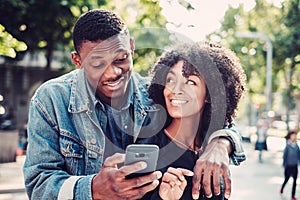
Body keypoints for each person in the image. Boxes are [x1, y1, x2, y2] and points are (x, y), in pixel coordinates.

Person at [23, 9, 245, 199]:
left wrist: (220, 143)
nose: (113, 73)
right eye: (98, 63)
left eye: (121, 59)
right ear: (77, 61)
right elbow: (39, 184)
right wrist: (93, 189)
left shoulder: (155, 93)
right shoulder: (51, 100)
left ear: (130, 47)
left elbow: (212, 113)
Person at [138, 42, 246, 200]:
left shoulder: (214, 150)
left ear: (211, 94)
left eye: (190, 82)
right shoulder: (148, 152)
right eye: (170, 80)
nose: (176, 89)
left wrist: (222, 144)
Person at [280, 131, 300, 200]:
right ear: (290, 136)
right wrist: (284, 164)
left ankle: (293, 195)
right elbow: (284, 156)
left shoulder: (297, 146)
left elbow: (299, 155)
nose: (294, 137)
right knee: (286, 179)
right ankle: (282, 188)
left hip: (295, 166)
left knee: (295, 181)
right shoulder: (287, 146)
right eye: (293, 135)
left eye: (295, 135)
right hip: (288, 166)